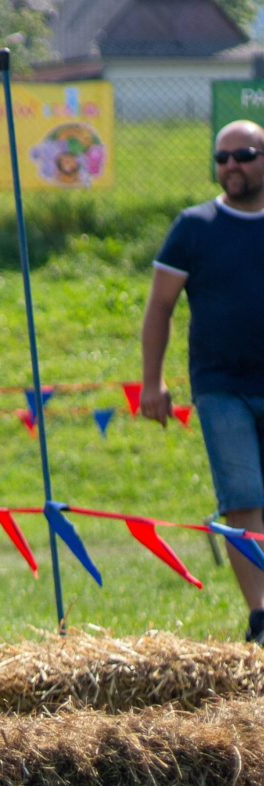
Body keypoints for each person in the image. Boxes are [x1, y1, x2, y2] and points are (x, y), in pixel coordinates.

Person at [142, 118, 264, 643]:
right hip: (220, 387)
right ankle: (260, 617)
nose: (230, 166)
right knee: (241, 497)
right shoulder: (195, 227)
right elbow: (160, 307)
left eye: (243, 154)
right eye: (222, 158)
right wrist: (152, 382)